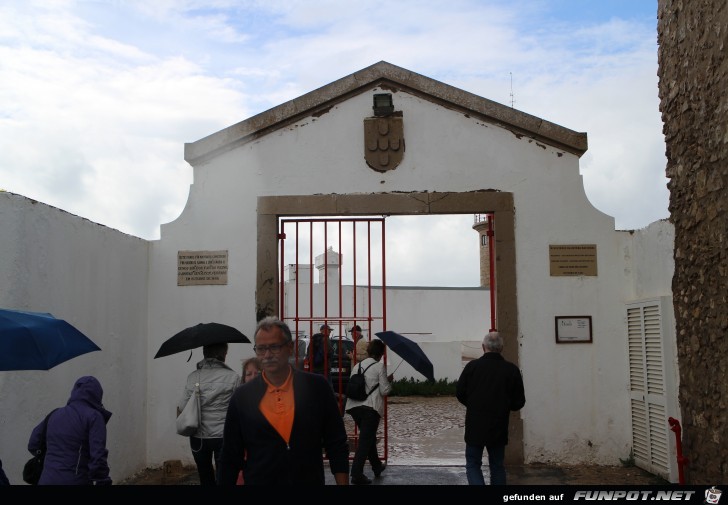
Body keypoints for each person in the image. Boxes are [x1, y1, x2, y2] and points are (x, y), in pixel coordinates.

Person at [219, 316, 349, 485]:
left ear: (290, 348)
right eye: (260, 349)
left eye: (274, 347)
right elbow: (230, 456)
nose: (267, 355)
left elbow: (336, 442)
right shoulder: (242, 397)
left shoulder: (317, 387)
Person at [456, 331, 525, 485]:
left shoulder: (472, 367)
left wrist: (474, 405)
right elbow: (519, 402)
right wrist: (505, 405)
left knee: (473, 464)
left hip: (475, 424)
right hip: (498, 424)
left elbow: (460, 392)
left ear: (483, 347)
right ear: (501, 348)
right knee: (497, 466)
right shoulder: (511, 370)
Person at [27, 376, 112, 485]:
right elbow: (98, 457)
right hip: (76, 480)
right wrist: (103, 481)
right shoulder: (94, 417)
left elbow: (33, 445)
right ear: (98, 395)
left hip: (46, 479)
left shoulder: (54, 414)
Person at [177, 342, 240, 486]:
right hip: (223, 435)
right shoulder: (233, 377)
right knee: (224, 475)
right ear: (223, 355)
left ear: (204, 353)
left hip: (198, 436)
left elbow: (182, 405)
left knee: (205, 475)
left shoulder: (193, 377)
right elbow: (238, 407)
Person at [344, 339, 393, 485]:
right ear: (381, 354)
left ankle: (376, 466)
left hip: (353, 407)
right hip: (370, 409)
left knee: (369, 437)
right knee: (365, 441)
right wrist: (390, 382)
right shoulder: (379, 367)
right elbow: (385, 390)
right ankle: (356, 474)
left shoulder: (358, 365)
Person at [236, 356, 262, 485]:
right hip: (245, 462)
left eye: (257, 373)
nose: (252, 377)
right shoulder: (239, 401)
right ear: (243, 378)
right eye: (248, 374)